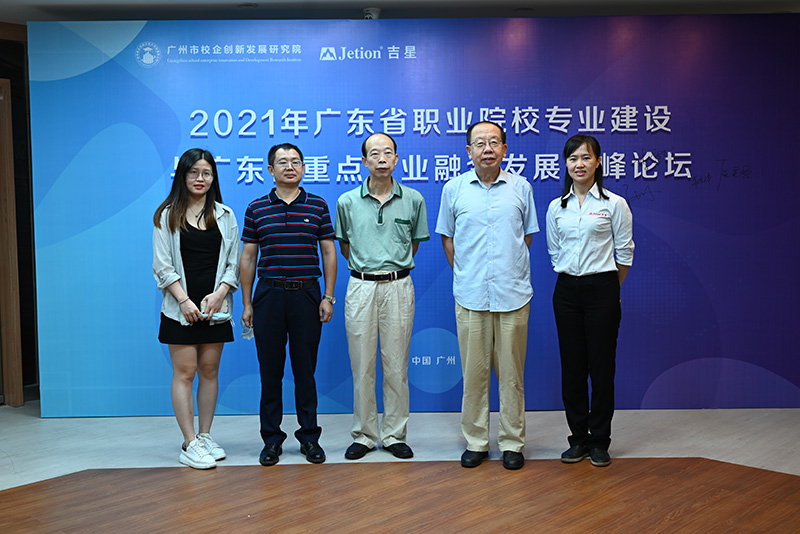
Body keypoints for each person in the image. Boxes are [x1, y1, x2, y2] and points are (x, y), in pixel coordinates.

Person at [436, 121, 539, 470]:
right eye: (479, 143)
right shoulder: (454, 189)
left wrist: (506, 270)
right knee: (474, 374)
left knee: (512, 375)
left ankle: (512, 442)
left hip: (513, 294)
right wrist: (468, 273)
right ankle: (477, 441)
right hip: (471, 295)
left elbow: (525, 238)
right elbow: (448, 238)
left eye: (494, 142)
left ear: (505, 149)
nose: (487, 149)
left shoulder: (521, 188)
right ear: (468, 151)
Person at [240, 143, 337, 466]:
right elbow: (248, 258)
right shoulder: (256, 208)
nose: (290, 167)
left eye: (296, 161)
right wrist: (247, 303)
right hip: (268, 296)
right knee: (270, 372)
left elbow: (328, 252)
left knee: (305, 371)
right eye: (282, 162)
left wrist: (328, 296)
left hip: (307, 296)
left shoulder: (318, 206)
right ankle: (271, 440)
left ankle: (309, 437)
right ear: (271, 170)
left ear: (304, 168)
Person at [335, 132, 429, 460]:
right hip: (361, 286)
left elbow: (413, 244)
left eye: (388, 152)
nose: (382, 159)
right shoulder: (347, 202)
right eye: (374, 154)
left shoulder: (413, 199)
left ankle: (394, 434)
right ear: (364, 161)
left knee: (396, 365)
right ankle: (364, 434)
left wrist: (390, 266)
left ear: (397, 158)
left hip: (398, 285)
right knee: (361, 365)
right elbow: (345, 247)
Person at [546, 134, 634, 468]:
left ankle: (599, 441)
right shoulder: (557, 206)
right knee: (572, 368)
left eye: (585, 158)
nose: (579, 164)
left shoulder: (614, 204)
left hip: (603, 290)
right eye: (573, 159)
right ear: (566, 164)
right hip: (566, 291)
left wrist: (608, 287)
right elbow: (554, 251)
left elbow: (624, 252)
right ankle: (578, 439)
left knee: (601, 367)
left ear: (598, 162)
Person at [153, 148, 241, 470]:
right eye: (193, 173)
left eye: (206, 173)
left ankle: (205, 435)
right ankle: (189, 442)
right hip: (180, 309)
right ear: (183, 176)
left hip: (215, 308)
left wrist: (220, 295)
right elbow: (162, 266)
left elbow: (234, 263)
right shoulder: (167, 215)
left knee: (209, 370)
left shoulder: (225, 215)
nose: (200, 178)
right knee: (185, 372)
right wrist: (184, 300)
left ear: (213, 177)